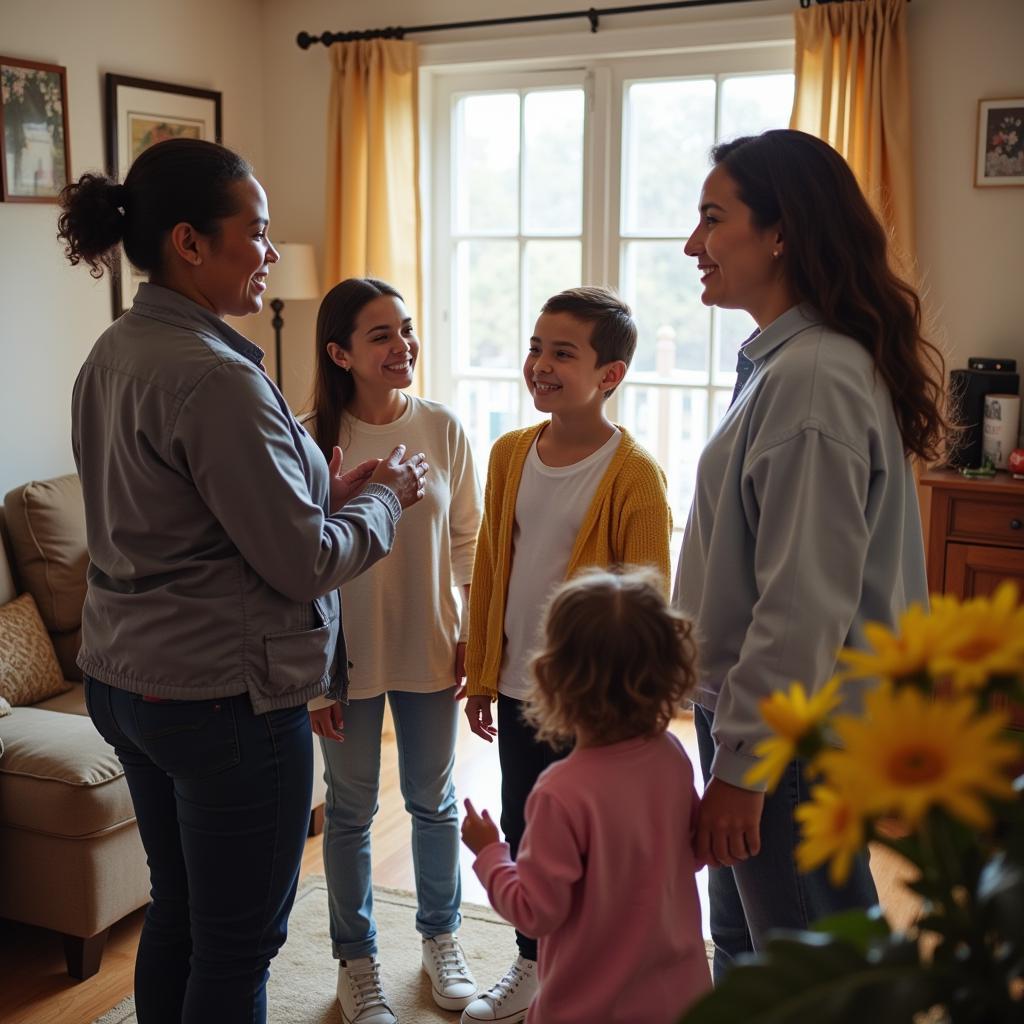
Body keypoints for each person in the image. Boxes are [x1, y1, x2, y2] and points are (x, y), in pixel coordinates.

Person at [57, 138, 429, 1024]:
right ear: (189, 242)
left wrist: (319, 489)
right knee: (239, 945)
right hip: (222, 697)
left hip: (125, 679)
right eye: (255, 234)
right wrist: (386, 503)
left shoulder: (115, 351)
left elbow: (177, 509)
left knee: (179, 913)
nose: (268, 253)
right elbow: (302, 561)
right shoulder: (216, 376)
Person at [673, 128, 947, 979]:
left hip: (793, 733)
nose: (693, 245)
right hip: (763, 720)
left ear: (780, 231)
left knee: (811, 976)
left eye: (713, 220)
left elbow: (801, 604)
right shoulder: (786, 363)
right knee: (754, 954)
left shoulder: (813, 378)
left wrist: (745, 769)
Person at [461, 287, 672, 1023]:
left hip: (595, 700)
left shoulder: (634, 475)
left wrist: (636, 705)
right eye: (535, 346)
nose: (540, 364)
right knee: (526, 823)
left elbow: (646, 603)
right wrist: (483, 672)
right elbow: (493, 567)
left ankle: (600, 966)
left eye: (562, 352)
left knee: (598, 838)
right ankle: (531, 963)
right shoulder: (509, 452)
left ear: (608, 374)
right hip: (523, 685)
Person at [305, 277, 483, 1023]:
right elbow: (296, 566)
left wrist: (473, 627)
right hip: (342, 661)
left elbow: (469, 538)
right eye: (381, 335)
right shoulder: (309, 438)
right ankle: (357, 961)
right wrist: (313, 682)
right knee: (348, 813)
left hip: (429, 648)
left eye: (405, 329)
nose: (402, 345)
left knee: (433, 802)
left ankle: (442, 940)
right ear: (340, 352)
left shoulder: (441, 427)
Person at [461, 568, 712, 1024]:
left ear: (552, 677)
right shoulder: (672, 757)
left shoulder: (561, 793)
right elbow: (691, 856)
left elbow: (534, 911)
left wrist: (489, 854)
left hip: (586, 1005)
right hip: (679, 995)